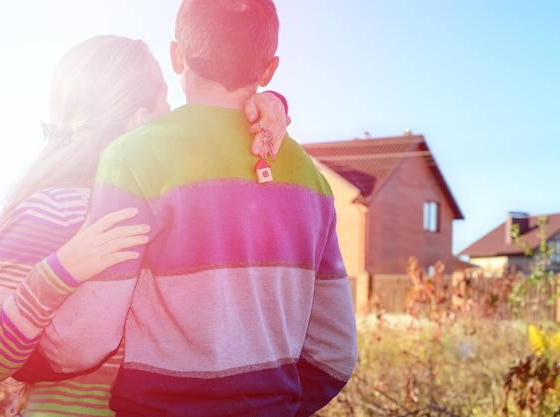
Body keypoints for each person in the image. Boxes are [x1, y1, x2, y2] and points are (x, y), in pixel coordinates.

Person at [32, 1, 358, 415]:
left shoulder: (133, 156)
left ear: (176, 55)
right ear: (269, 69)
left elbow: (87, 336)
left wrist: (25, 362)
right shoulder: (313, 181)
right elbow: (336, 353)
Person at [0, 34, 290, 416]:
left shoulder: (162, 207)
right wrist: (61, 270)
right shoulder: (53, 210)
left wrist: (267, 105)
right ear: (140, 120)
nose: (176, 111)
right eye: (164, 97)